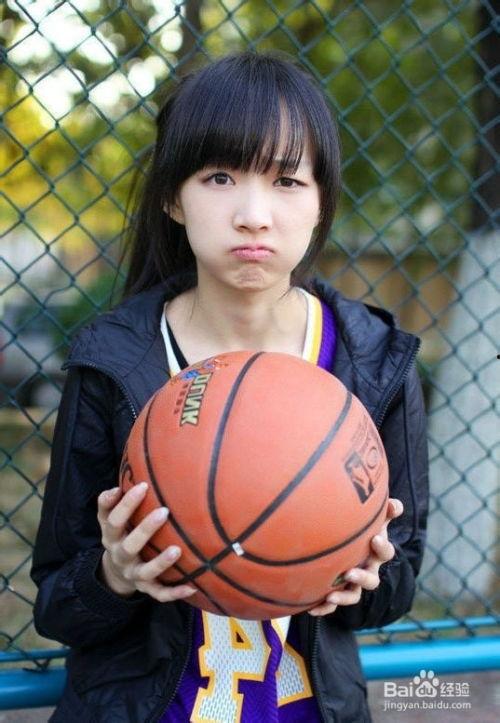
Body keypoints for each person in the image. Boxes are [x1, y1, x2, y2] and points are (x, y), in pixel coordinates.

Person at [31, 50, 429, 723]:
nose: (253, 214)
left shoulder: (375, 362)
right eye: (219, 177)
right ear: (172, 197)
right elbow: (58, 606)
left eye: (287, 181)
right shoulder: (114, 361)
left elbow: (397, 585)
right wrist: (114, 575)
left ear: (322, 200)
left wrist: (364, 579)